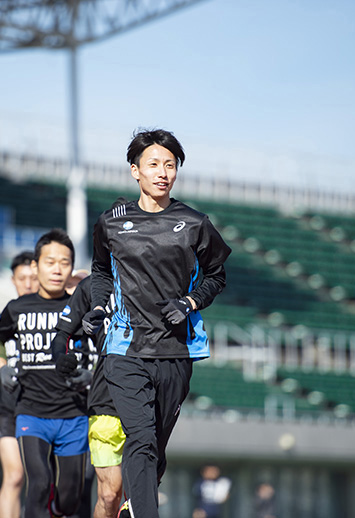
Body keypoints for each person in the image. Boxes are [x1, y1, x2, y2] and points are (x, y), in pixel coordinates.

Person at [83, 129, 232, 518]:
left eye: (170, 165)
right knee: (141, 437)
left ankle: (135, 504)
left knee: (155, 450)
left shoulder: (195, 223)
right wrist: (99, 307)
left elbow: (217, 275)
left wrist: (190, 301)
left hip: (176, 349)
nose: (163, 172)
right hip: (124, 348)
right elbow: (101, 272)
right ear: (135, 170)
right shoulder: (111, 222)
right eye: (154, 164)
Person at [0, 229, 89, 518]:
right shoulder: (17, 308)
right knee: (40, 482)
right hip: (31, 412)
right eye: (50, 261)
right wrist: (3, 366)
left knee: (70, 497)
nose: (57, 269)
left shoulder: (80, 308)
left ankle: (58, 511)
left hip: (73, 414)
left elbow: (106, 349)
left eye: (65, 262)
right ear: (36, 266)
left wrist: (92, 376)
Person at [52, 274, 123, 518]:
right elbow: (62, 336)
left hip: (148, 400)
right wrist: (61, 359)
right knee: (109, 493)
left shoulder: (158, 276)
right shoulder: (91, 288)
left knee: (137, 495)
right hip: (104, 402)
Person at [0, 251, 39, 518]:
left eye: (33, 277)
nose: (28, 283)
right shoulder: (1, 318)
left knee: (41, 477)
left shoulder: (54, 314)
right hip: (9, 406)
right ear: (13, 280)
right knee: (15, 475)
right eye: (22, 278)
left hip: (43, 405)